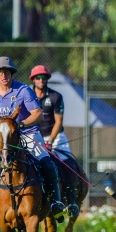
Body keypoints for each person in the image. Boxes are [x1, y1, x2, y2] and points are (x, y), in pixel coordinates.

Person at [0, 57, 67, 228]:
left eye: (7, 72)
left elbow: (37, 114)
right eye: (0, 73)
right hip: (4, 138)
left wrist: (20, 124)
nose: (4, 75)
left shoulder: (23, 90)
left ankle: (55, 203)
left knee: (48, 163)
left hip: (28, 134)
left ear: (11, 73)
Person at [29, 65, 79, 217]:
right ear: (33, 80)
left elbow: (58, 121)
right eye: (38, 78)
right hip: (33, 136)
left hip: (55, 137)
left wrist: (50, 140)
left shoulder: (55, 97)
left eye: (44, 78)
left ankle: (71, 201)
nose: (41, 80)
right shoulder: (27, 95)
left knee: (67, 163)